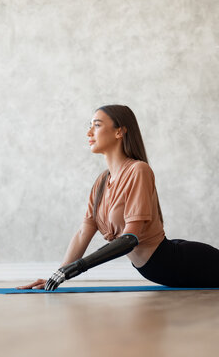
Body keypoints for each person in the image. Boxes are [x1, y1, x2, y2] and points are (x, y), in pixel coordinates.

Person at [18, 104, 219, 290]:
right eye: (89, 126)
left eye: (96, 125)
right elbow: (83, 232)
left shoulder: (138, 170)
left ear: (119, 131)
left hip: (181, 261)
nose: (89, 133)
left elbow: (129, 239)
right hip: (156, 268)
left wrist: (74, 269)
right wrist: (58, 272)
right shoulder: (101, 182)